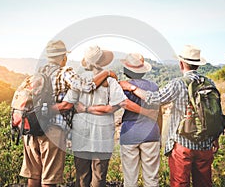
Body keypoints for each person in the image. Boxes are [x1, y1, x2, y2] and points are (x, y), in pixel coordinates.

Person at [19, 40, 118, 187]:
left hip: (31, 128)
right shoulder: (65, 72)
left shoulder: (38, 73)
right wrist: (107, 73)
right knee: (49, 179)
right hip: (52, 130)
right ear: (63, 57)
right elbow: (87, 86)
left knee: (33, 176)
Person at [119, 45, 220, 187]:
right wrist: (215, 138)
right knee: (203, 183)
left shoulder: (178, 84)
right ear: (197, 65)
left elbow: (155, 99)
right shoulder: (210, 83)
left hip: (182, 143)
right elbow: (215, 113)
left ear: (181, 63)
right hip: (206, 143)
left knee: (180, 183)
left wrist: (132, 87)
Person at [61, 45, 127, 187]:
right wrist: (94, 109)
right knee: (99, 175)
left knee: (82, 175)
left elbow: (69, 103)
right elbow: (114, 107)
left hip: (80, 132)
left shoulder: (79, 81)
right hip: (102, 133)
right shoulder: (110, 81)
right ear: (103, 61)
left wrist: (85, 109)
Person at [119, 53, 161, 187]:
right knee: (152, 178)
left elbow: (120, 105)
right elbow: (159, 113)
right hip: (151, 133)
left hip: (130, 134)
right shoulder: (154, 87)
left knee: (130, 179)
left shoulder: (123, 87)